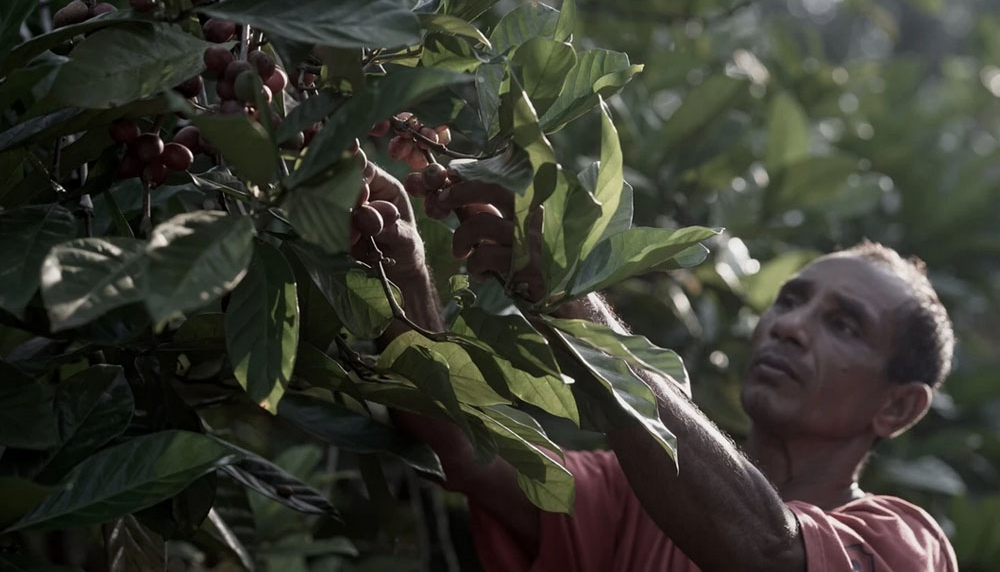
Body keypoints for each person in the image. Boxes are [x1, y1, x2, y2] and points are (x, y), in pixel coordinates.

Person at [357, 165, 959, 572]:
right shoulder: (630, 493)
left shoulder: (903, 547)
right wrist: (397, 273)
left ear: (898, 406)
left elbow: (767, 552)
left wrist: (572, 299)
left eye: (844, 325)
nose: (790, 326)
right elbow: (466, 453)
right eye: (790, 300)